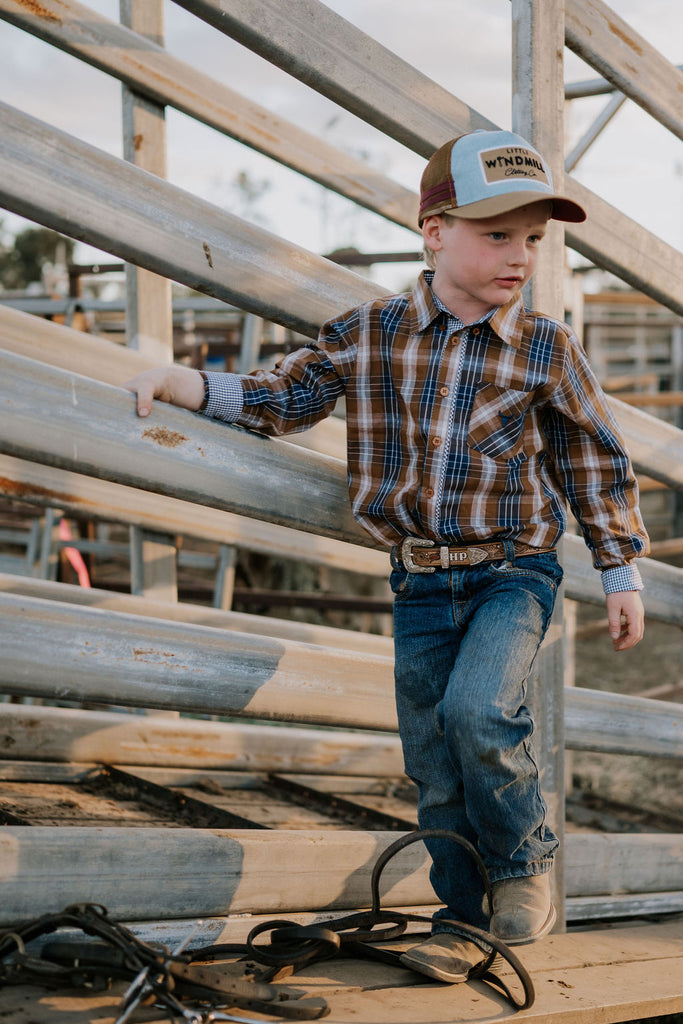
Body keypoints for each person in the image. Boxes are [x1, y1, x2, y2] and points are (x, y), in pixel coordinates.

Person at [126, 130, 649, 984]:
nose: (519, 256)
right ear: (434, 231)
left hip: (512, 571)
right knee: (432, 759)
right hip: (418, 579)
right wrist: (192, 386)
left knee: (479, 714)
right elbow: (287, 394)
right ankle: (460, 915)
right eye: (496, 235)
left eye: (531, 240)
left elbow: (593, 460)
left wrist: (619, 569)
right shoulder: (372, 333)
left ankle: (523, 865)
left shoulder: (546, 348)